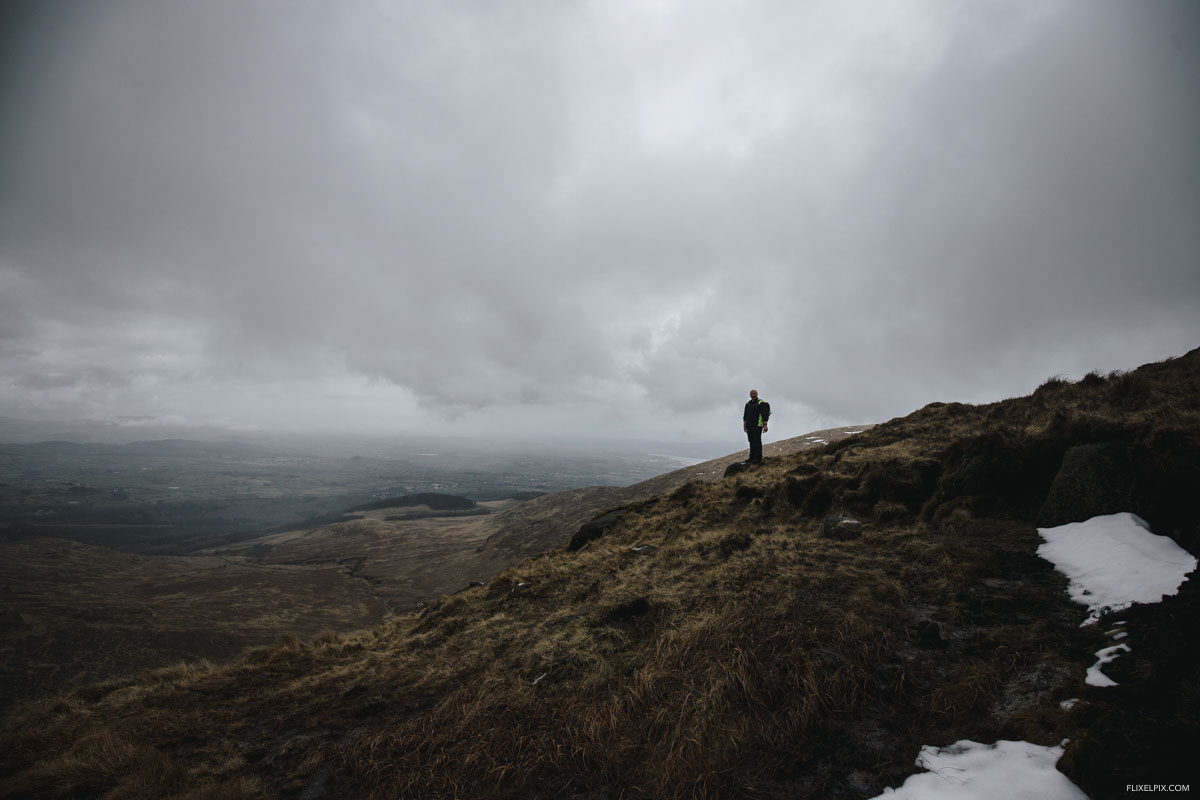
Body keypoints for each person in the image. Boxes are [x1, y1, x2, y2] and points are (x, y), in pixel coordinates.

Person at [743, 388, 770, 464]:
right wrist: (744, 426)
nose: (753, 395)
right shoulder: (748, 404)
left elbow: (765, 415)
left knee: (757, 441)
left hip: (758, 425)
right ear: (750, 395)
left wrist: (765, 425)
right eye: (752, 394)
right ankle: (752, 457)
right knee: (751, 441)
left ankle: (758, 458)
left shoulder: (761, 403)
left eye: (754, 393)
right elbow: (745, 416)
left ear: (757, 394)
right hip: (749, 426)